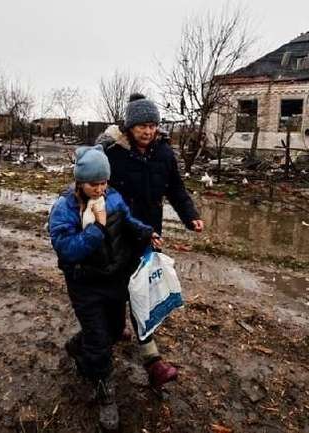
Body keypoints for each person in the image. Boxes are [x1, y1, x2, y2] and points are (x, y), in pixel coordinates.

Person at [48, 144, 161, 430]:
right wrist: (95, 230)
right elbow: (66, 249)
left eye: (103, 182)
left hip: (113, 278)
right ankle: (105, 393)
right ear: (79, 181)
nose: (99, 189)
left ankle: (77, 345)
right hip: (84, 283)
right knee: (99, 342)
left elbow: (127, 220)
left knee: (111, 330)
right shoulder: (65, 208)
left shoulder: (113, 197)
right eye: (93, 183)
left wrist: (146, 233)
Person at [96, 93, 205, 388]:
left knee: (143, 291)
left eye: (153, 125)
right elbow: (93, 189)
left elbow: (177, 191)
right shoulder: (112, 154)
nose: (148, 130)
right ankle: (113, 331)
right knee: (118, 289)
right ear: (129, 127)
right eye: (142, 125)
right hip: (117, 234)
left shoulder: (164, 154)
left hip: (149, 235)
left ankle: (152, 360)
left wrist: (189, 215)